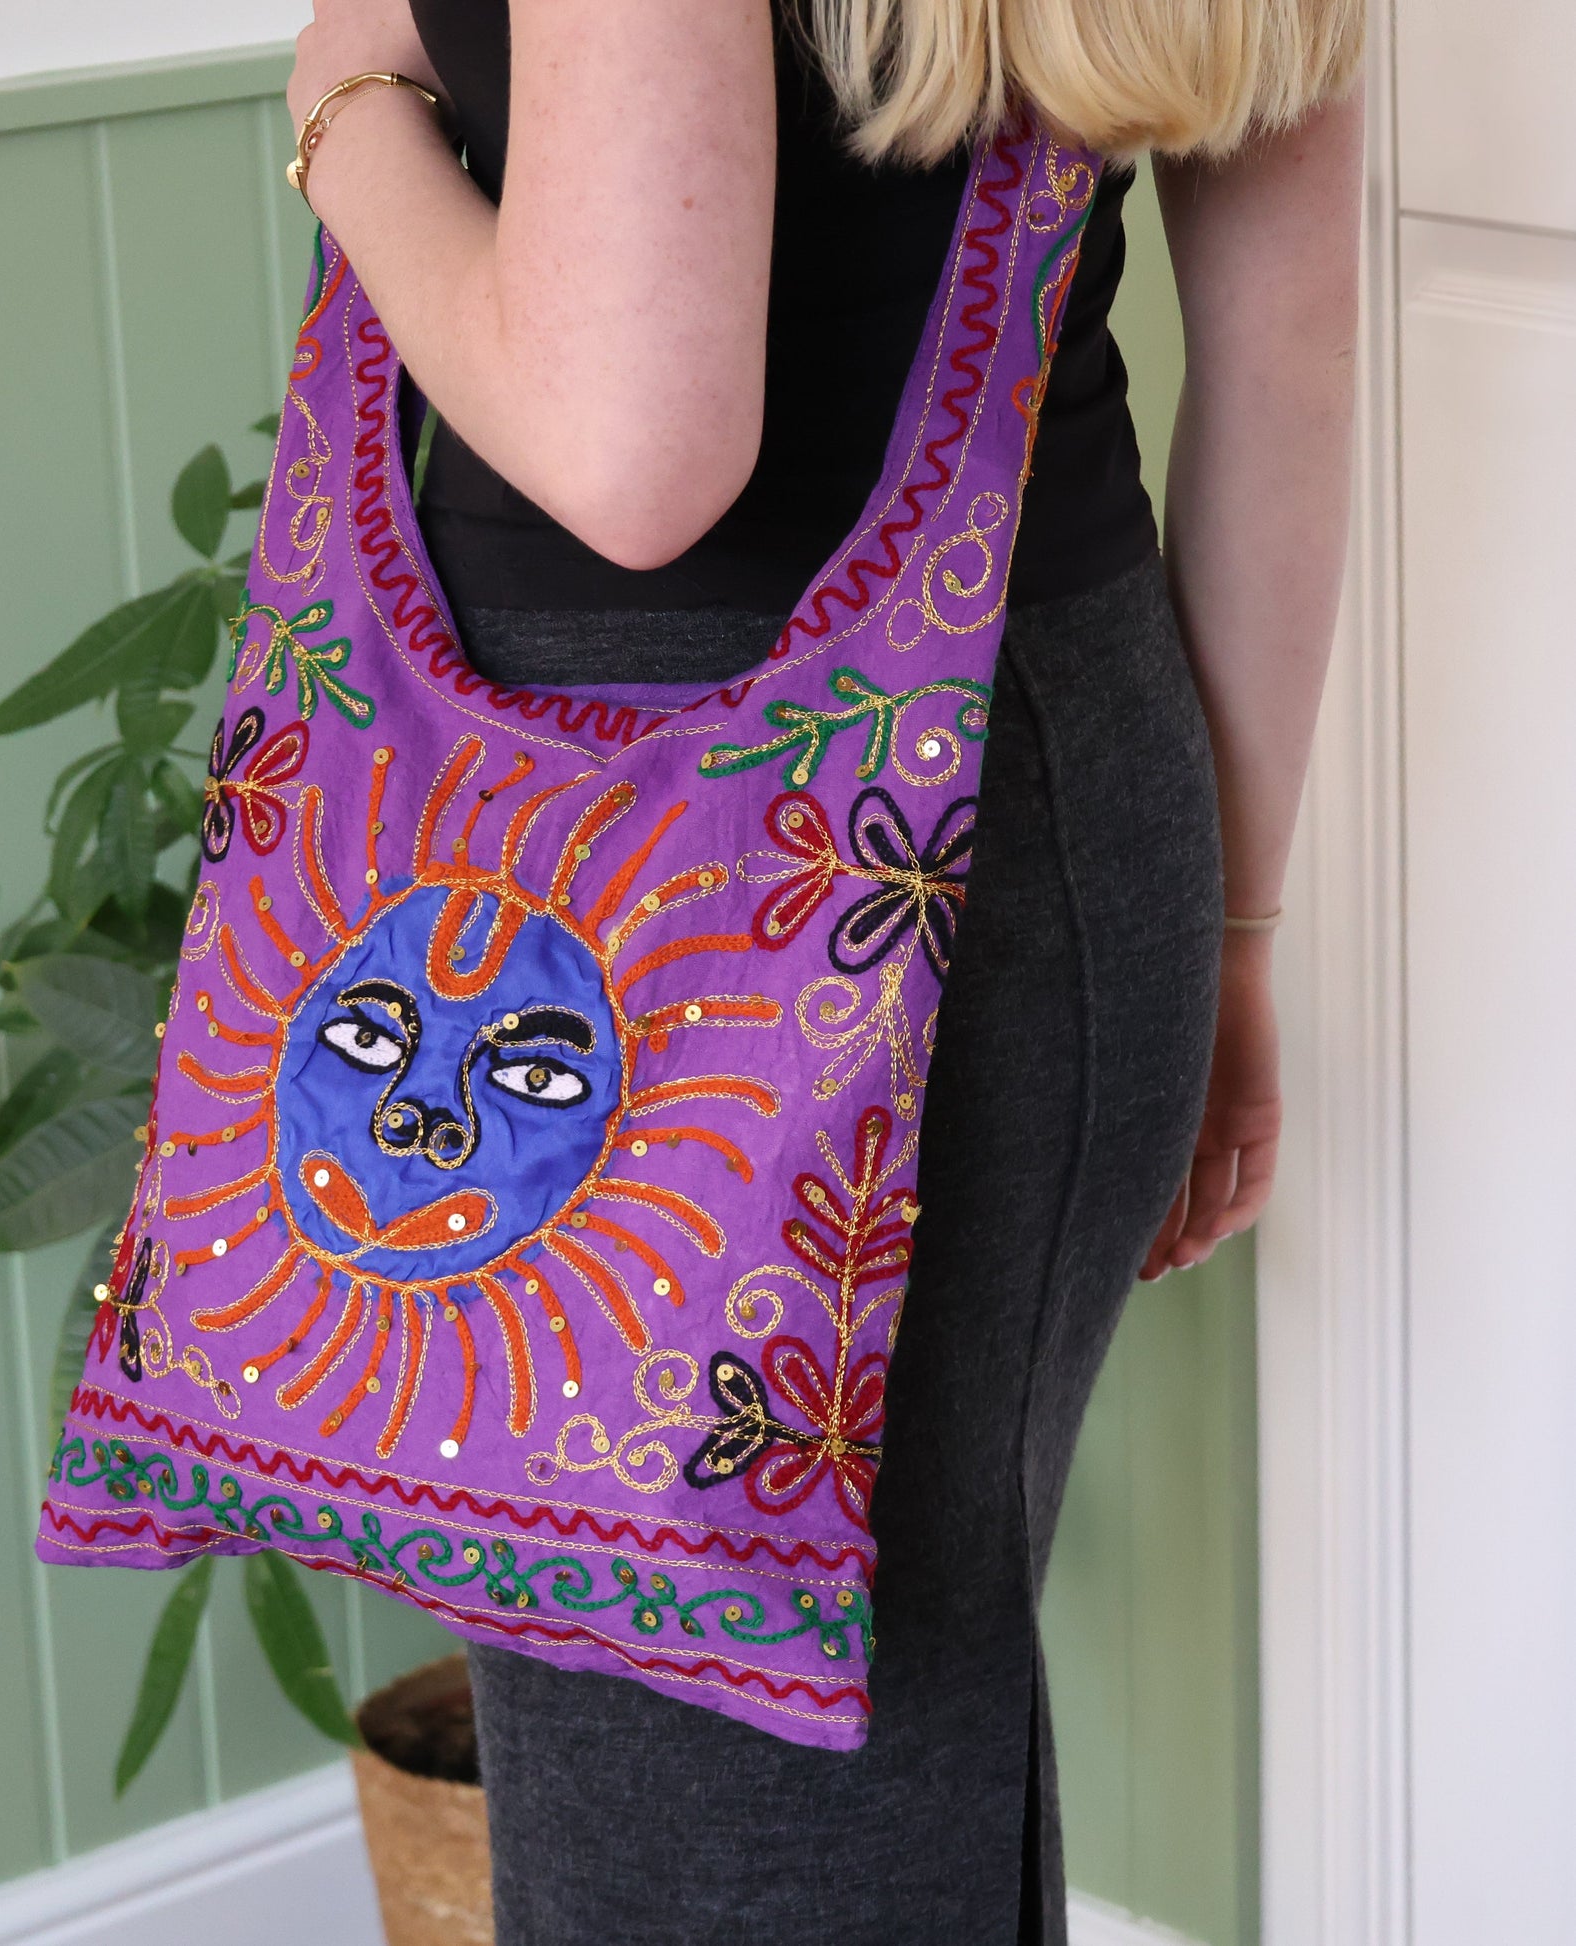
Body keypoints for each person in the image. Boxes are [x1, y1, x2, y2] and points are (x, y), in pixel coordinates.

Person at [282, 2, 1363, 1938]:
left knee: (714, 1846)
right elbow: (1282, 338)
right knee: (904, 1741)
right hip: (1044, 792)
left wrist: (343, 103)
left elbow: (633, 450)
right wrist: (1229, 927)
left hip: (618, 896)